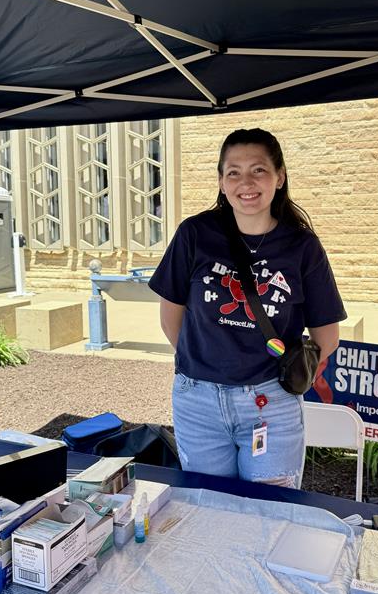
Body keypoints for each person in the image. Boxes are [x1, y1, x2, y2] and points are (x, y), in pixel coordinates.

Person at [148, 128, 346, 488]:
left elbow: (327, 336)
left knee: (269, 517)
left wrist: (282, 375)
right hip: (198, 403)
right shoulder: (195, 234)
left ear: (279, 177)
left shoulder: (302, 247)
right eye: (233, 172)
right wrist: (208, 363)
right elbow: (170, 317)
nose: (246, 182)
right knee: (208, 511)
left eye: (258, 170)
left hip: (271, 403)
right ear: (222, 182)